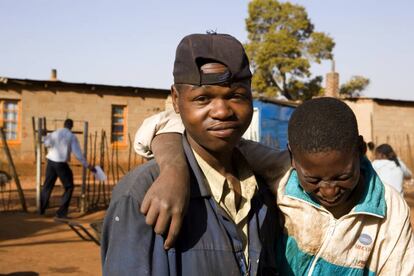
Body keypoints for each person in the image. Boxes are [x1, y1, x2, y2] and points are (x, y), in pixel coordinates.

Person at [135, 97, 414, 275]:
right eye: (313, 180)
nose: (329, 190)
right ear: (292, 157)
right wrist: (173, 169)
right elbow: (176, 126)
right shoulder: (280, 171)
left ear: (360, 150)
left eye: (342, 177)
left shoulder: (389, 211)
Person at [101, 33, 284, 275]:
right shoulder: (142, 193)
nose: (221, 111)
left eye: (236, 95)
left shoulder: (263, 189)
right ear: (176, 101)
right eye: (202, 98)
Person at [40, 118, 95, 218]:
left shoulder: (55, 132)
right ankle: (61, 213)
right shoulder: (71, 136)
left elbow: (46, 143)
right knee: (69, 186)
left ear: (64, 124)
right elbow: (78, 154)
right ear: (71, 126)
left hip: (51, 162)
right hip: (61, 164)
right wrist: (87, 165)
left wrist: (44, 135)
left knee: (47, 185)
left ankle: (41, 210)